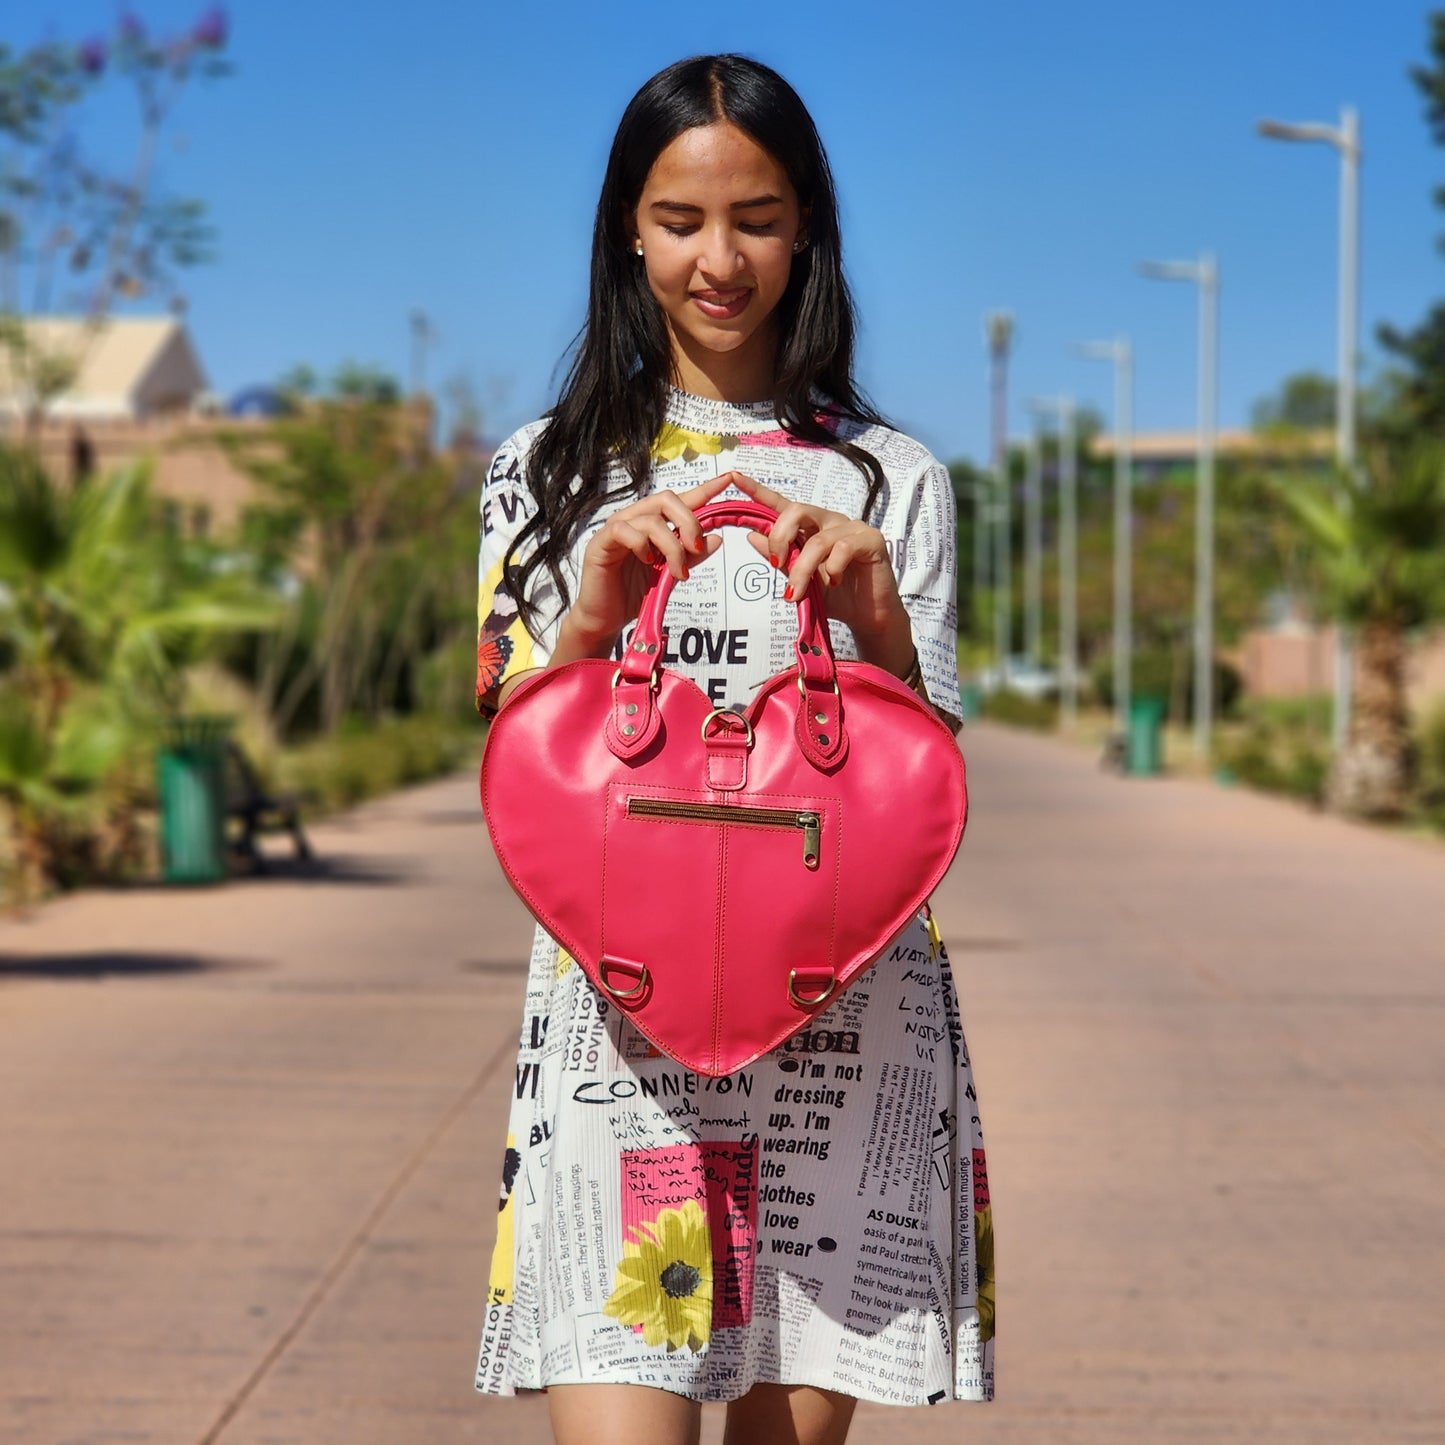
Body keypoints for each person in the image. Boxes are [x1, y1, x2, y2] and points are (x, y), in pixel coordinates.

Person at [473, 54, 994, 1445]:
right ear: (627, 233)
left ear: (806, 224)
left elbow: (927, 792)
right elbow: (514, 767)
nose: (718, 258)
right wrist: (584, 614)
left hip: (841, 1031)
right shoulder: (546, 473)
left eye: (755, 217)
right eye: (680, 220)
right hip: (617, 1038)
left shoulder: (892, 480)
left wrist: (879, 624)